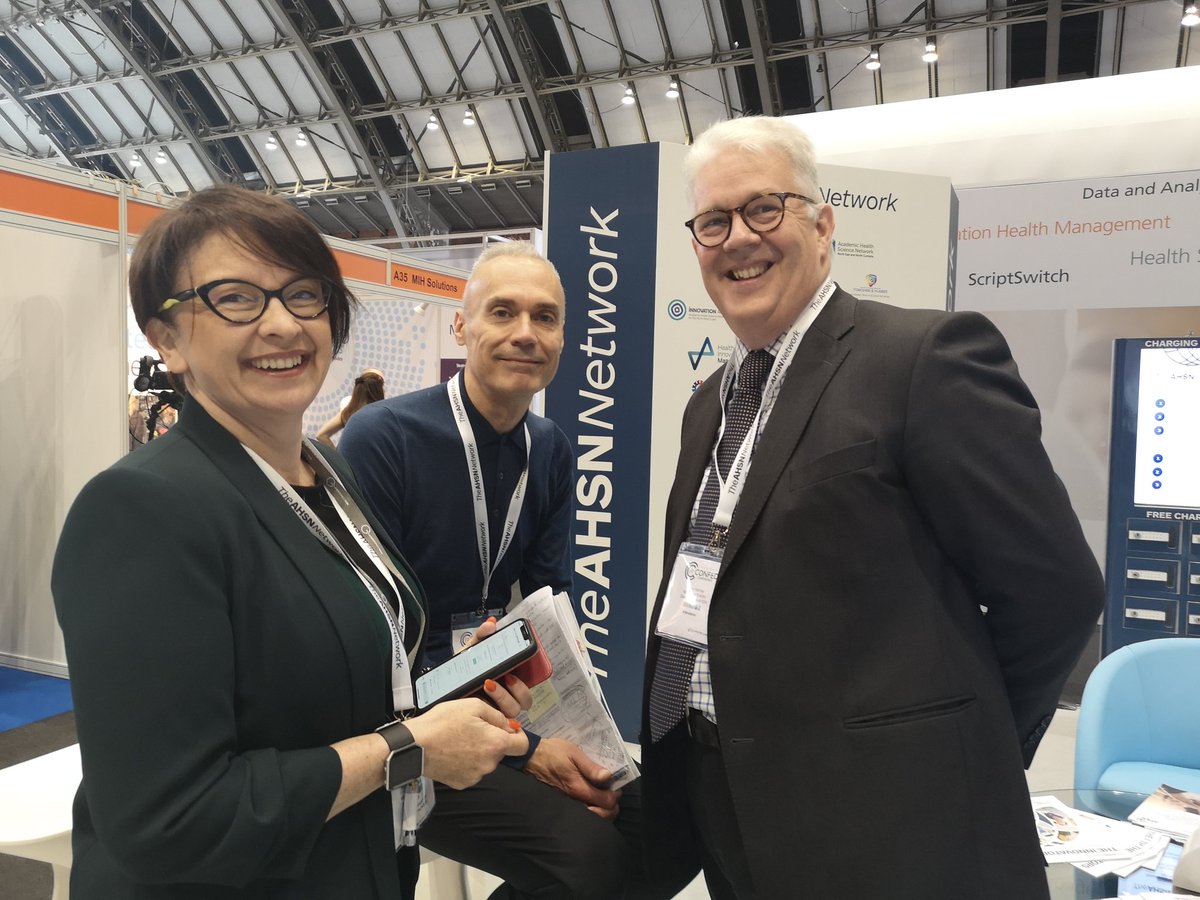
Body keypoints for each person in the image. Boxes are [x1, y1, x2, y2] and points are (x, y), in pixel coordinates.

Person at [639, 116, 1106, 900]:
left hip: (894, 828)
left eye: (763, 208)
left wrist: (960, 748)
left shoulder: (925, 358)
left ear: (823, 226)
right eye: (712, 222)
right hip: (733, 806)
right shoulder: (710, 405)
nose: (736, 239)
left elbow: (1057, 591)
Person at [52, 185, 530, 900]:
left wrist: (456, 698)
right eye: (236, 298)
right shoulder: (140, 510)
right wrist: (411, 749)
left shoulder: (327, 470)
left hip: (348, 863)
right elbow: (168, 819)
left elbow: (330, 683)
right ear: (167, 339)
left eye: (304, 294)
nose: (283, 324)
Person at [340, 242, 648, 900]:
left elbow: (547, 599)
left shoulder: (551, 448)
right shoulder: (383, 438)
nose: (524, 334)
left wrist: (565, 733)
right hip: (400, 726)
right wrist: (528, 749)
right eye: (502, 312)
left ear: (564, 336)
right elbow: (372, 641)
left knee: (652, 819)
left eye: (545, 317)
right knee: (593, 860)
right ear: (462, 325)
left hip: (491, 704)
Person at [315, 367, 385, 447]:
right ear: (380, 387)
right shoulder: (385, 413)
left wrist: (336, 457)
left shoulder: (349, 408)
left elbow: (321, 435)